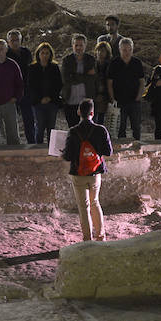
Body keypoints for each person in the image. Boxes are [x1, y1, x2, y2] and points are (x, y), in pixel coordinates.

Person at [61, 98, 112, 242]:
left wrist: (63, 152)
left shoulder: (73, 131)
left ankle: (87, 239)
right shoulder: (101, 130)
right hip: (95, 173)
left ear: (79, 112)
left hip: (78, 173)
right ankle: (100, 236)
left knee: (84, 207)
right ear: (92, 113)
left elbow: (68, 156)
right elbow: (108, 152)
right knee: (95, 202)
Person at [106, 38, 145, 140]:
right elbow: (109, 82)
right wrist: (112, 98)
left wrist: (138, 97)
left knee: (136, 127)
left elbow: (142, 81)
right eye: (124, 50)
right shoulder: (114, 63)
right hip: (119, 101)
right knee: (120, 127)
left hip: (134, 100)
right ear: (120, 50)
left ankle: (137, 146)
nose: (127, 52)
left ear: (132, 50)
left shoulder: (137, 63)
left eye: (129, 50)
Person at [26, 42, 62, 144]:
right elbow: (30, 86)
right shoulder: (32, 68)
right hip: (38, 103)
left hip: (52, 102)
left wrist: (50, 97)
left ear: (50, 54)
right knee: (40, 127)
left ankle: (51, 149)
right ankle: (38, 149)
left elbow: (58, 84)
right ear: (38, 54)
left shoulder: (54, 67)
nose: (45, 55)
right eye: (42, 53)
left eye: (47, 53)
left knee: (51, 128)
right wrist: (40, 99)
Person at [60, 34, 97, 128]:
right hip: (70, 101)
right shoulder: (67, 60)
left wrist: (75, 76)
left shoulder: (91, 60)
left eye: (81, 45)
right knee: (72, 129)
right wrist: (86, 75)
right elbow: (67, 80)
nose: (78, 48)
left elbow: (93, 78)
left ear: (85, 45)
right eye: (76, 45)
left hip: (86, 102)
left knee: (87, 130)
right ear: (72, 45)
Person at [6, 29, 35, 144]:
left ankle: (31, 143)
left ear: (20, 40)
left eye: (17, 40)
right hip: (11, 92)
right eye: (12, 40)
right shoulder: (6, 54)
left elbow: (31, 70)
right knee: (11, 121)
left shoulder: (26, 52)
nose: (15, 42)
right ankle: (13, 145)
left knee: (29, 119)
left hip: (26, 91)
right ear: (8, 42)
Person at [92, 41, 112, 125]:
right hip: (93, 95)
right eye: (98, 50)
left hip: (105, 96)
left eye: (103, 51)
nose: (100, 53)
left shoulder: (109, 66)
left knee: (102, 120)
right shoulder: (92, 64)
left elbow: (110, 83)